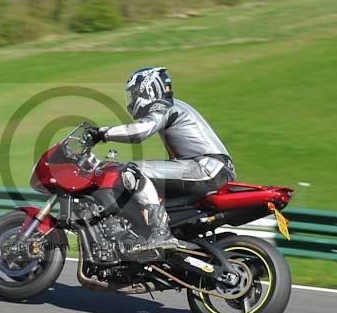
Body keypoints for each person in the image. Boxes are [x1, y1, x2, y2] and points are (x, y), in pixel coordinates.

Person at [85, 67, 236, 252]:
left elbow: (142, 130)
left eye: (134, 93)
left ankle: (160, 233)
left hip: (207, 168)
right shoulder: (174, 106)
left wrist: (103, 133)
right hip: (210, 169)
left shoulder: (165, 105)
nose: (132, 99)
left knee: (132, 169)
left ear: (148, 89)